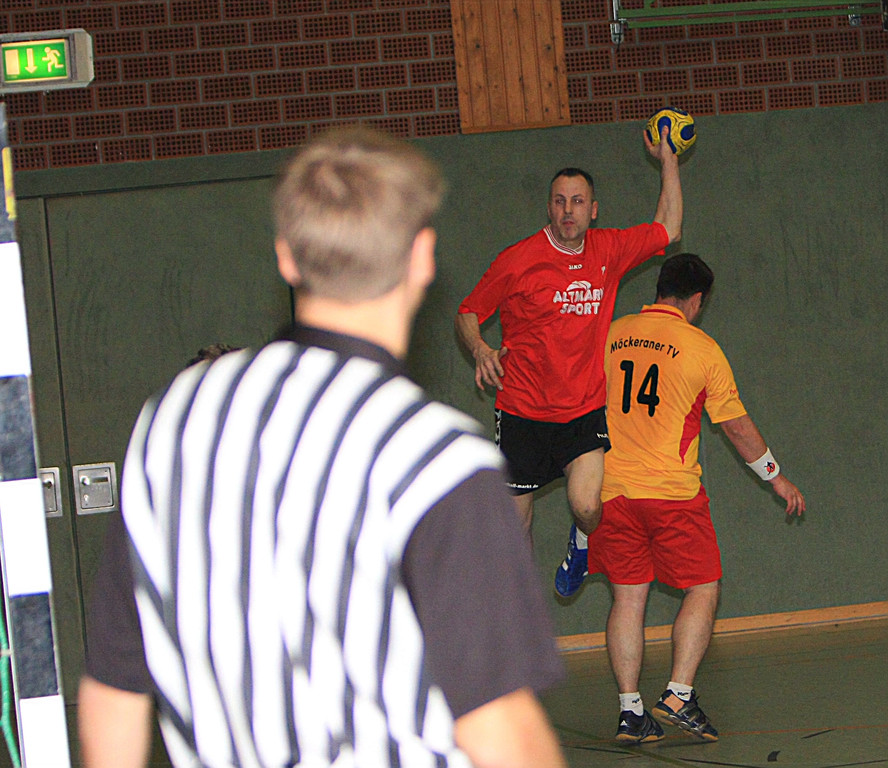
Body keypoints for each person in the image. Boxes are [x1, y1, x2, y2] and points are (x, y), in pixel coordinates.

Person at [78, 128, 567, 768]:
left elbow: (113, 690)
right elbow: (499, 731)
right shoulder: (436, 454)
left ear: (287, 256)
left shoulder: (174, 417)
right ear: (422, 257)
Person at [455, 128, 683, 597]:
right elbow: (468, 311)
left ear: (593, 209)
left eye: (577, 202)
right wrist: (479, 348)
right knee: (515, 528)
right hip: (522, 412)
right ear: (549, 207)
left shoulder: (608, 250)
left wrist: (669, 159)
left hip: (582, 411)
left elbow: (669, 226)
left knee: (587, 506)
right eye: (560, 201)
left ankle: (581, 543)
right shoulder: (519, 260)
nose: (568, 211)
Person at [589, 252, 805, 744]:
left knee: (628, 598)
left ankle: (630, 711)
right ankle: (678, 693)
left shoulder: (613, 333)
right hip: (672, 494)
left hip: (613, 490)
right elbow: (736, 427)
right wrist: (775, 477)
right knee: (703, 588)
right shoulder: (701, 348)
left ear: (659, 289)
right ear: (697, 300)